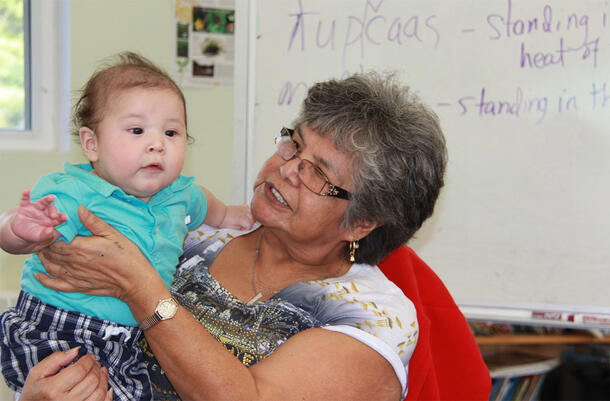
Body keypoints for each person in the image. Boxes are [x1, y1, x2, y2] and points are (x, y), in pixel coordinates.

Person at [16, 72, 448, 400]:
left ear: (361, 222)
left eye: (318, 172)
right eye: (294, 145)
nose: (287, 169)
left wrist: (141, 288)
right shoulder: (190, 229)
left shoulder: (373, 317)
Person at [0, 52, 253, 400]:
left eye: (171, 132)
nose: (156, 143)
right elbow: (16, 237)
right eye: (136, 130)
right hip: (58, 326)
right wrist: (18, 230)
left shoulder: (179, 194)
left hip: (125, 336)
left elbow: (205, 203)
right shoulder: (74, 192)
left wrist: (228, 215)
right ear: (92, 144)